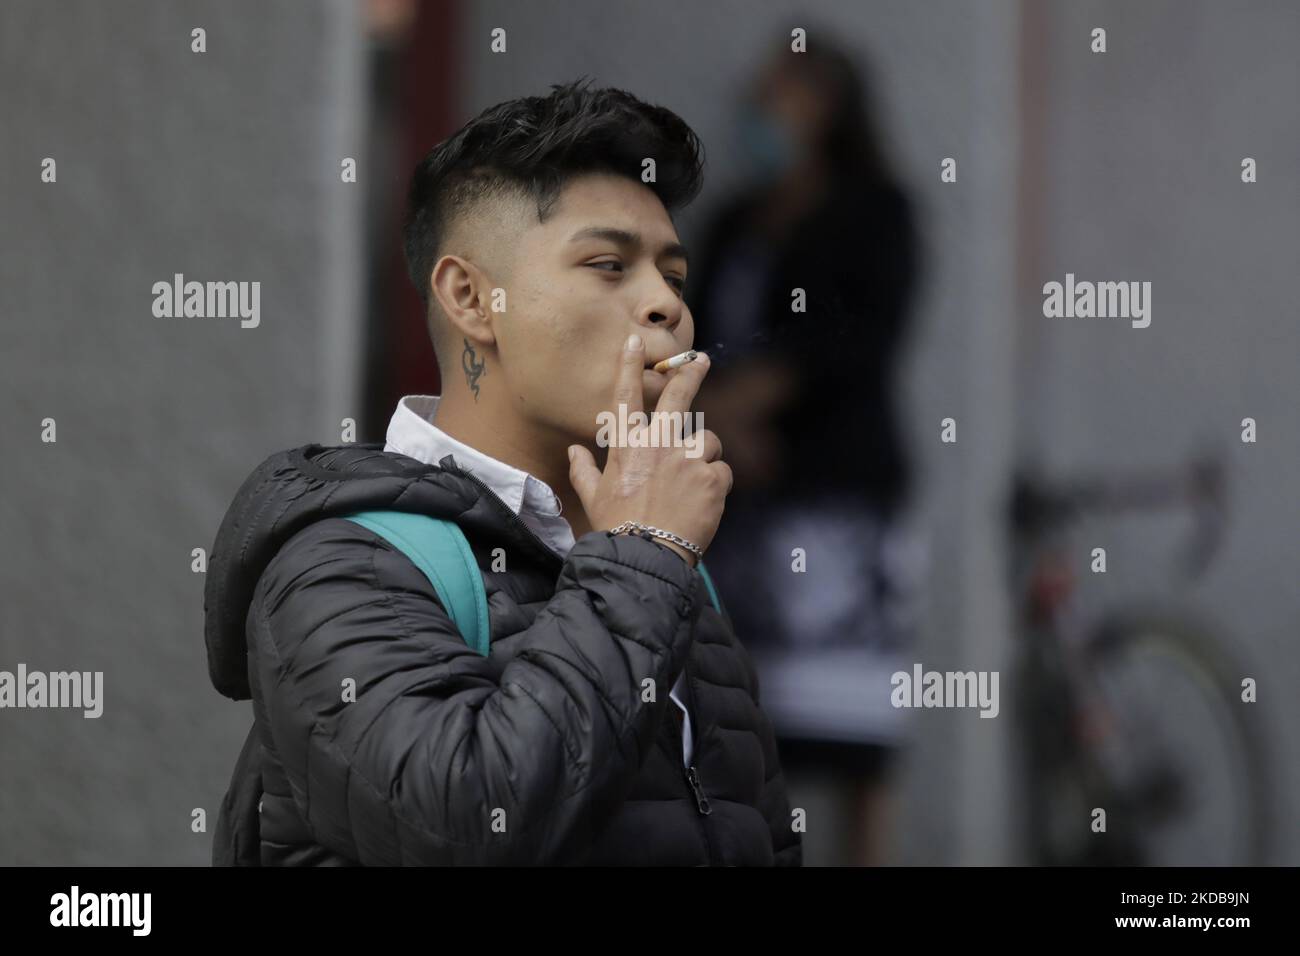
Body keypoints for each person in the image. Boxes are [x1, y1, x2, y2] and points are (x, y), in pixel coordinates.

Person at [204, 78, 801, 866]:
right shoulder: (342, 563)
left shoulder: (674, 569)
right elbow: (462, 825)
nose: (665, 304)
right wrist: (643, 553)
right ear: (471, 298)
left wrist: (647, 553)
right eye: (608, 264)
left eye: (674, 275)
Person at [685, 37, 924, 864]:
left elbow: (856, 338)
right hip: (739, 503)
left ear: (824, 106)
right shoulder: (733, 224)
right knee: (744, 731)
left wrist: (756, 403)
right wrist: (716, 421)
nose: (758, 114)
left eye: (775, 97)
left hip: (836, 505)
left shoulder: (876, 210)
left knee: (853, 736)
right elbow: (693, 340)